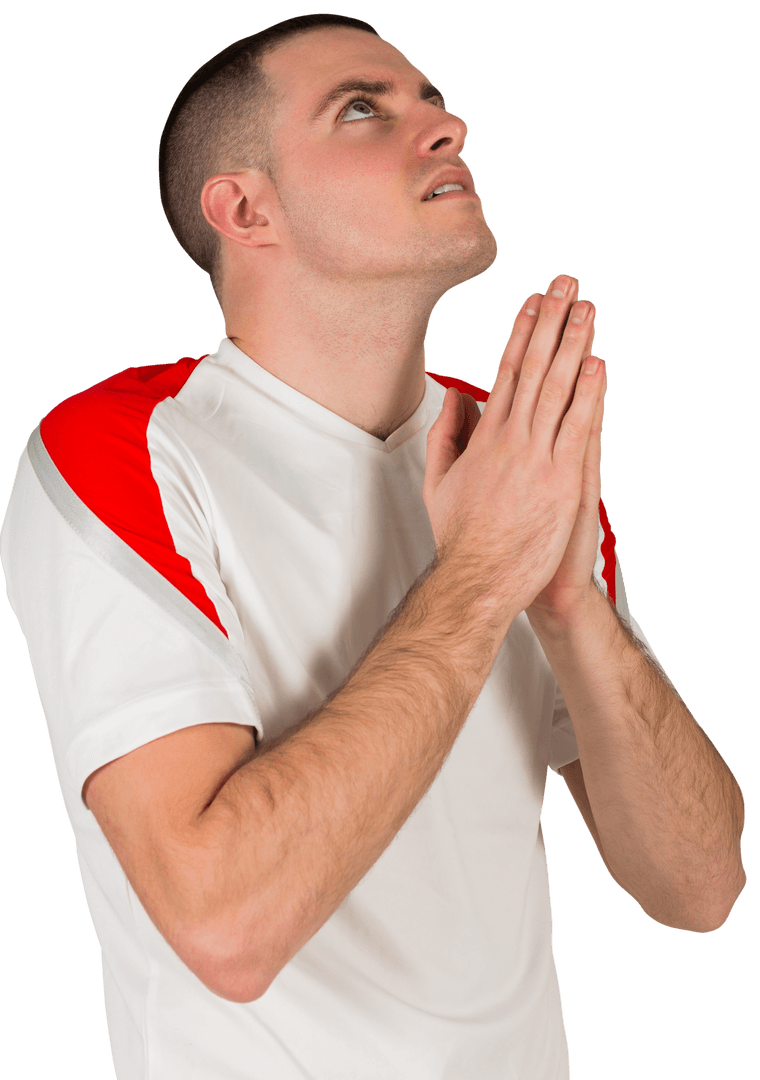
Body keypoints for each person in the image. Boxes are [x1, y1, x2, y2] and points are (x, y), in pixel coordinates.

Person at [0, 11, 746, 1080]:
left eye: (432, 99)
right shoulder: (126, 449)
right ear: (245, 207)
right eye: (364, 108)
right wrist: (484, 574)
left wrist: (569, 599)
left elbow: (698, 889)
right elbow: (224, 926)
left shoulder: (510, 453)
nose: (446, 124)